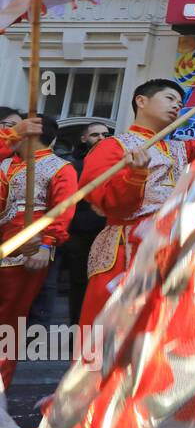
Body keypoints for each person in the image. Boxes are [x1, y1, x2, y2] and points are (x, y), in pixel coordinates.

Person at [78, 79, 190, 327]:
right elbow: (108, 203)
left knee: (161, 329)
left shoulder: (182, 149)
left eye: (180, 103)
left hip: (171, 246)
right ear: (141, 101)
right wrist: (135, 176)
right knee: (112, 329)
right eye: (169, 98)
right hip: (126, 245)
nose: (177, 106)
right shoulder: (112, 146)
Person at [0, 115, 77, 389]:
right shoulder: (6, 163)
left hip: (25, 253)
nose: (9, 132)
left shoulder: (60, 167)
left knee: (8, 326)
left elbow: (62, 211)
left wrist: (46, 244)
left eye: (15, 129)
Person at [61, 122, 110, 324]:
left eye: (105, 134)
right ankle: (77, 329)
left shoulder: (114, 160)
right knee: (80, 282)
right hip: (80, 232)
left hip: (108, 229)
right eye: (95, 134)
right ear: (84, 138)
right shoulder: (74, 165)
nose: (100, 138)